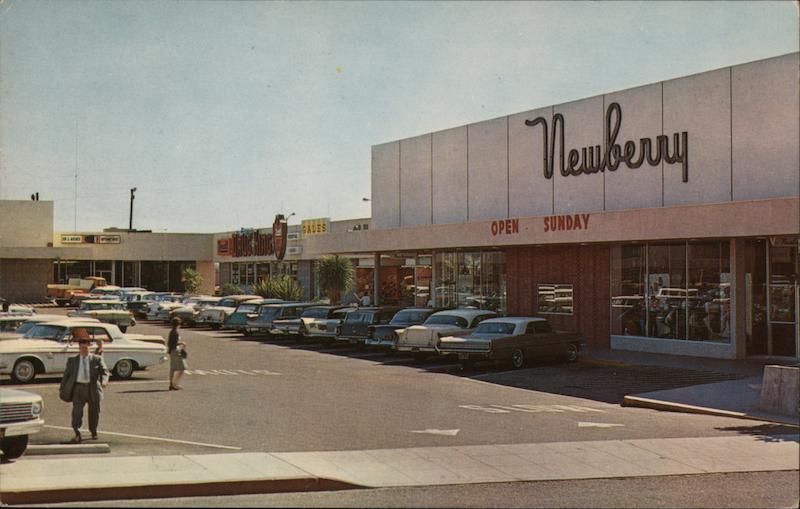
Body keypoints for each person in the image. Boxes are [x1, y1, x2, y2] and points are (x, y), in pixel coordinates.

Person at [58, 330, 109, 444]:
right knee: (77, 412)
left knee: (94, 412)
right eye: (82, 348)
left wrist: (104, 381)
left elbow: (105, 371)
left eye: (86, 348)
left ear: (89, 348)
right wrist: (62, 388)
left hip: (92, 388)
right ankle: (77, 432)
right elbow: (66, 376)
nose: (84, 350)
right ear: (79, 348)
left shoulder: (96, 359)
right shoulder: (72, 361)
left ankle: (93, 430)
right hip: (78, 389)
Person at [168, 317, 187, 390]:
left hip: (171, 351)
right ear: (178, 324)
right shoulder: (175, 332)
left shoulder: (171, 331)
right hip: (176, 351)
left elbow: (170, 343)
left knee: (172, 368)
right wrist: (182, 343)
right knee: (182, 368)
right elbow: (174, 343)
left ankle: (171, 384)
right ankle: (175, 384)